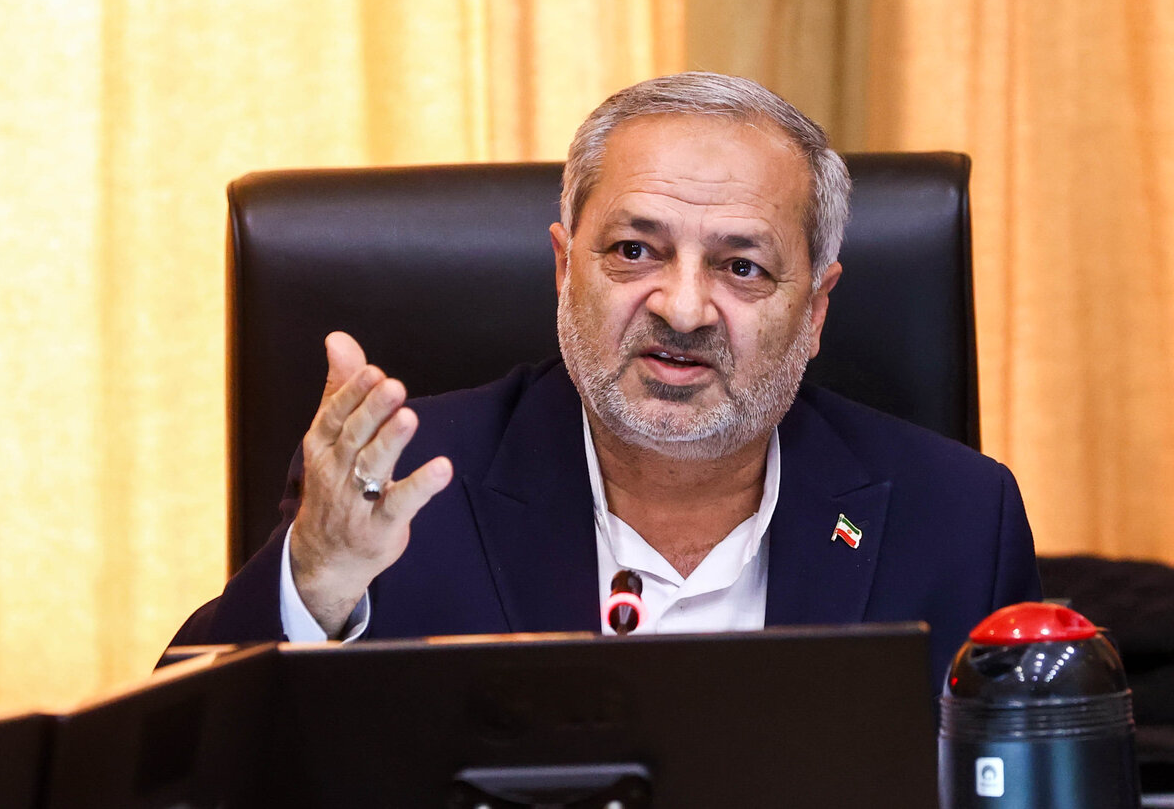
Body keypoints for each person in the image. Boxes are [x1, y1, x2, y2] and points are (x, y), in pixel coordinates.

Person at [171, 72, 1040, 691]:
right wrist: (313, 583)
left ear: (815, 309)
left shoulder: (959, 519)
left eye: (740, 266)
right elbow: (179, 769)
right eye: (634, 251)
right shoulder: (397, 492)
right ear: (564, 269)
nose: (684, 308)